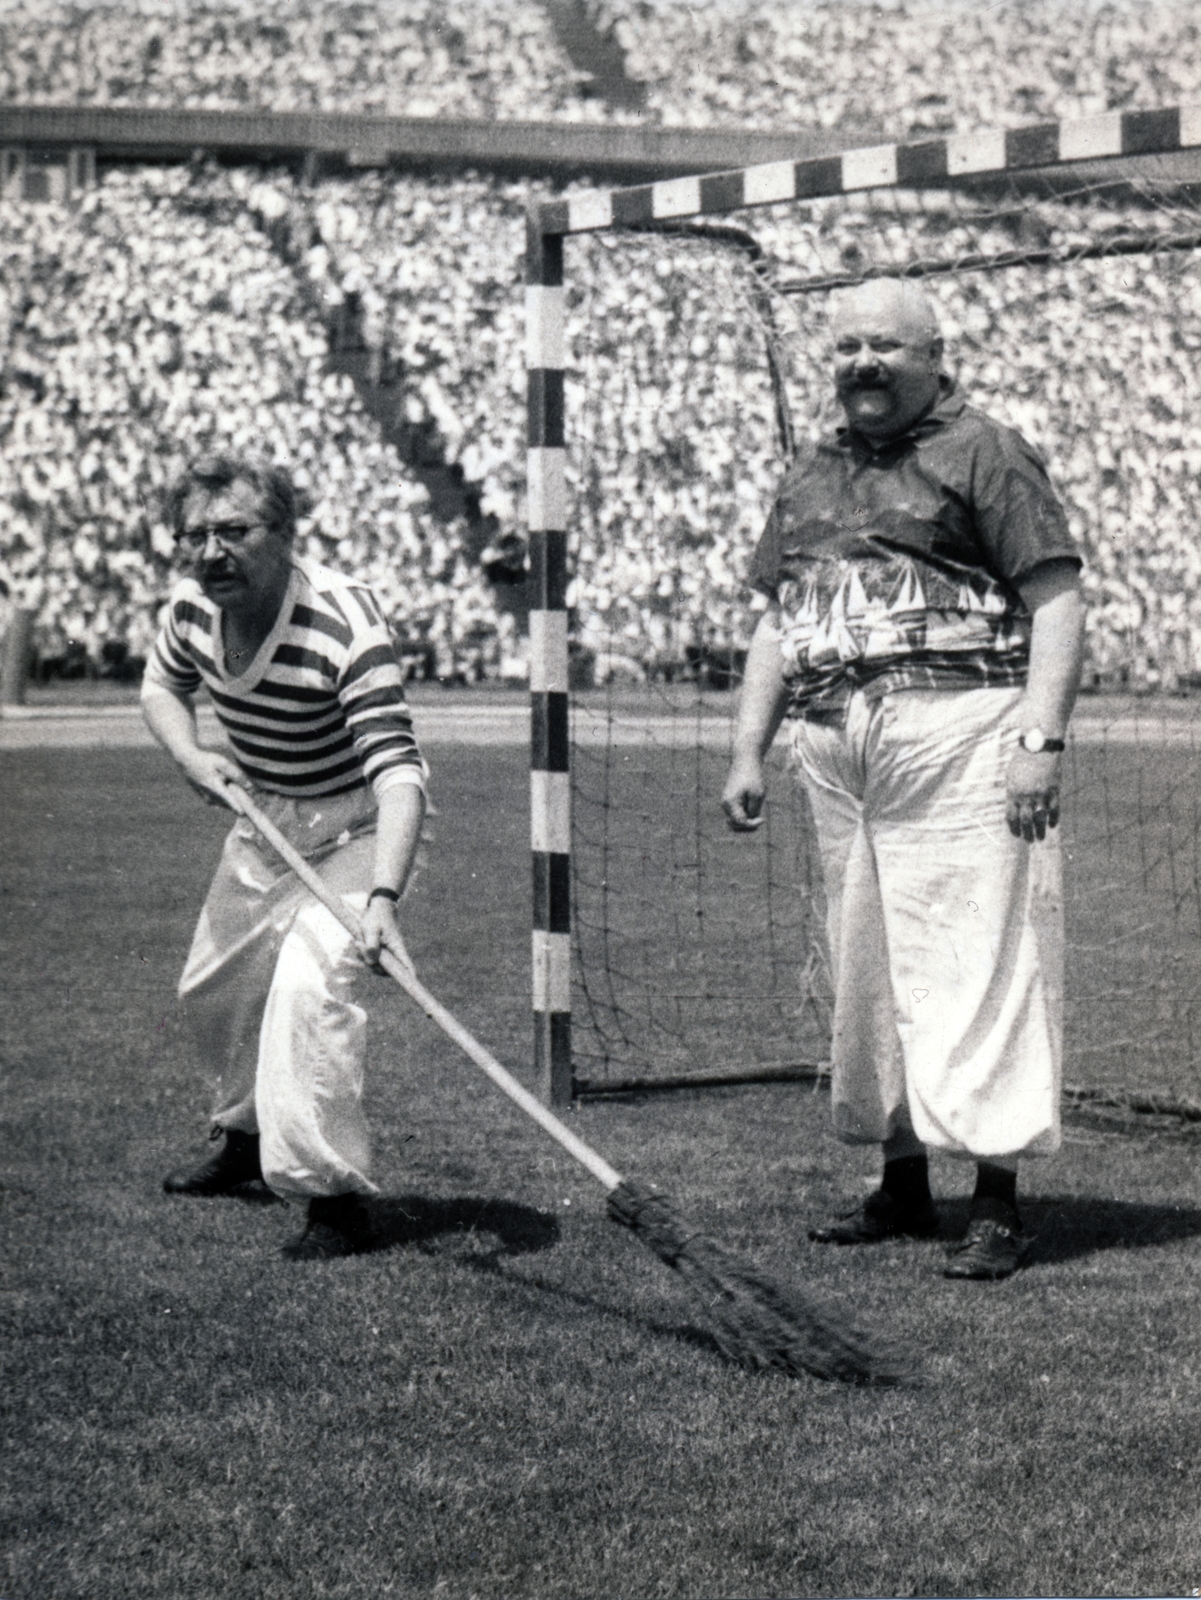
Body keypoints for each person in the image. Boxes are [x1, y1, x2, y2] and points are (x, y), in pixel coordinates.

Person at [721, 279, 1084, 1280]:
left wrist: (1038, 739)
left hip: (960, 733)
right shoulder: (813, 470)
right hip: (838, 741)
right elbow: (777, 617)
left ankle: (997, 1201)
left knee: (979, 954)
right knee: (866, 965)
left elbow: (1055, 596)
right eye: (846, 348)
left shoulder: (983, 450)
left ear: (932, 355)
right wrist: (749, 745)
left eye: (885, 346)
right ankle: (903, 1180)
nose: (862, 365)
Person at [143, 455, 426, 1260]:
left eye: (233, 531)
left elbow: (399, 773)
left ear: (285, 533)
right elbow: (160, 690)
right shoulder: (192, 610)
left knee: (309, 988)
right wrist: (195, 758)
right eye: (193, 535)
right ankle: (244, 1136)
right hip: (263, 821)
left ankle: (331, 1194)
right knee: (214, 990)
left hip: (359, 825)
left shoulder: (344, 624)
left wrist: (381, 897)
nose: (210, 552)